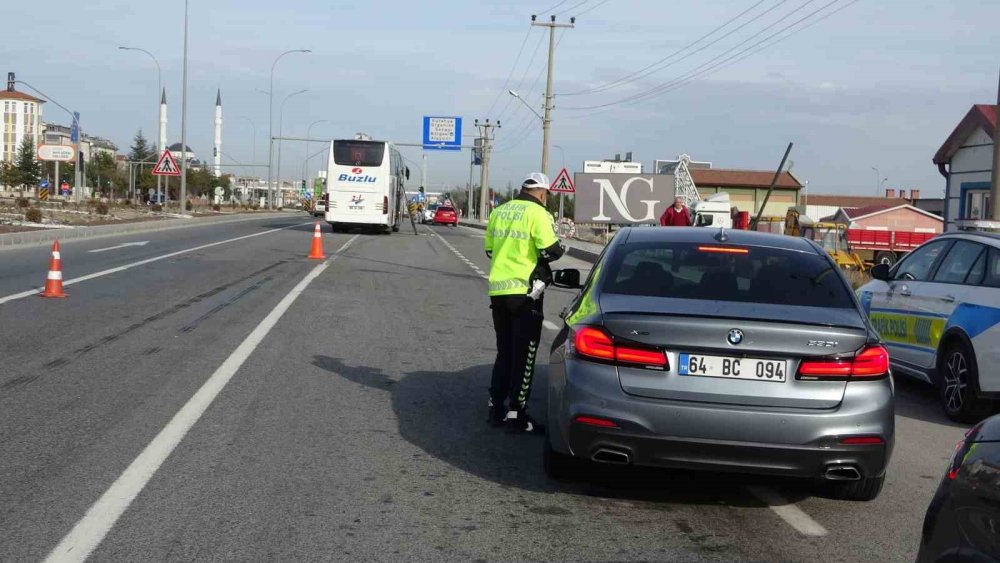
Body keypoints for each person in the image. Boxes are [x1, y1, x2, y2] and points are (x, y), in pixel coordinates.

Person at [484, 172, 565, 433]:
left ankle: (495, 407)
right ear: (542, 193)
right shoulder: (538, 213)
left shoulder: (500, 211)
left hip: (498, 292)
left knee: (504, 352)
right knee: (525, 355)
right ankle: (517, 413)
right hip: (526, 294)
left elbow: (489, 250)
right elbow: (551, 249)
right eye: (547, 196)